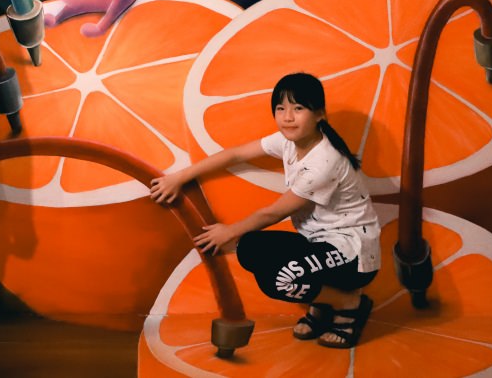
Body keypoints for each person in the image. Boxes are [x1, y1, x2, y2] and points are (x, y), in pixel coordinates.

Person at [150, 72, 380, 349]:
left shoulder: (324, 162)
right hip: (319, 244)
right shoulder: (289, 142)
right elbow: (236, 154)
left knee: (280, 280)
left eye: (298, 108)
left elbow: (273, 213)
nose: (288, 117)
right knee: (250, 248)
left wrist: (228, 232)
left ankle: (349, 303)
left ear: (319, 114)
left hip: (353, 253)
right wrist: (179, 177)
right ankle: (323, 302)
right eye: (281, 108)